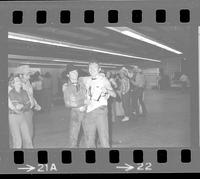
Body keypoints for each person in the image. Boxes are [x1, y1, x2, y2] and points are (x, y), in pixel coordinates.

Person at [83, 61, 116, 148]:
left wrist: (107, 91)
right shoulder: (87, 80)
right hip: (89, 112)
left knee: (103, 138)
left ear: (99, 69)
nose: (92, 70)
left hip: (100, 111)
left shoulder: (103, 80)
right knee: (89, 139)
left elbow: (114, 94)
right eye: (90, 68)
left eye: (94, 68)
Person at [62, 64, 87, 148]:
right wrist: (82, 104)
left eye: (76, 72)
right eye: (72, 73)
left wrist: (86, 104)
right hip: (75, 113)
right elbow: (68, 103)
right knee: (73, 137)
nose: (75, 74)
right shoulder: (66, 87)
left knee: (89, 136)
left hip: (86, 111)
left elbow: (87, 95)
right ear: (68, 75)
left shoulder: (83, 84)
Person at [14, 65, 41, 139]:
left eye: (29, 75)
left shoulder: (28, 82)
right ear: (20, 75)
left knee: (30, 132)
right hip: (22, 112)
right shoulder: (16, 84)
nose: (29, 77)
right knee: (25, 134)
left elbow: (31, 95)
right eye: (27, 75)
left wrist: (36, 104)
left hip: (29, 111)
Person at [8, 75, 33, 148]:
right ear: (13, 83)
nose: (19, 82)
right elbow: (17, 106)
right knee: (18, 141)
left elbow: (29, 105)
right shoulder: (11, 93)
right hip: (13, 117)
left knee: (28, 139)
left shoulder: (24, 91)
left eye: (19, 80)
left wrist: (22, 105)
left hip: (22, 116)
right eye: (17, 81)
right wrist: (23, 105)